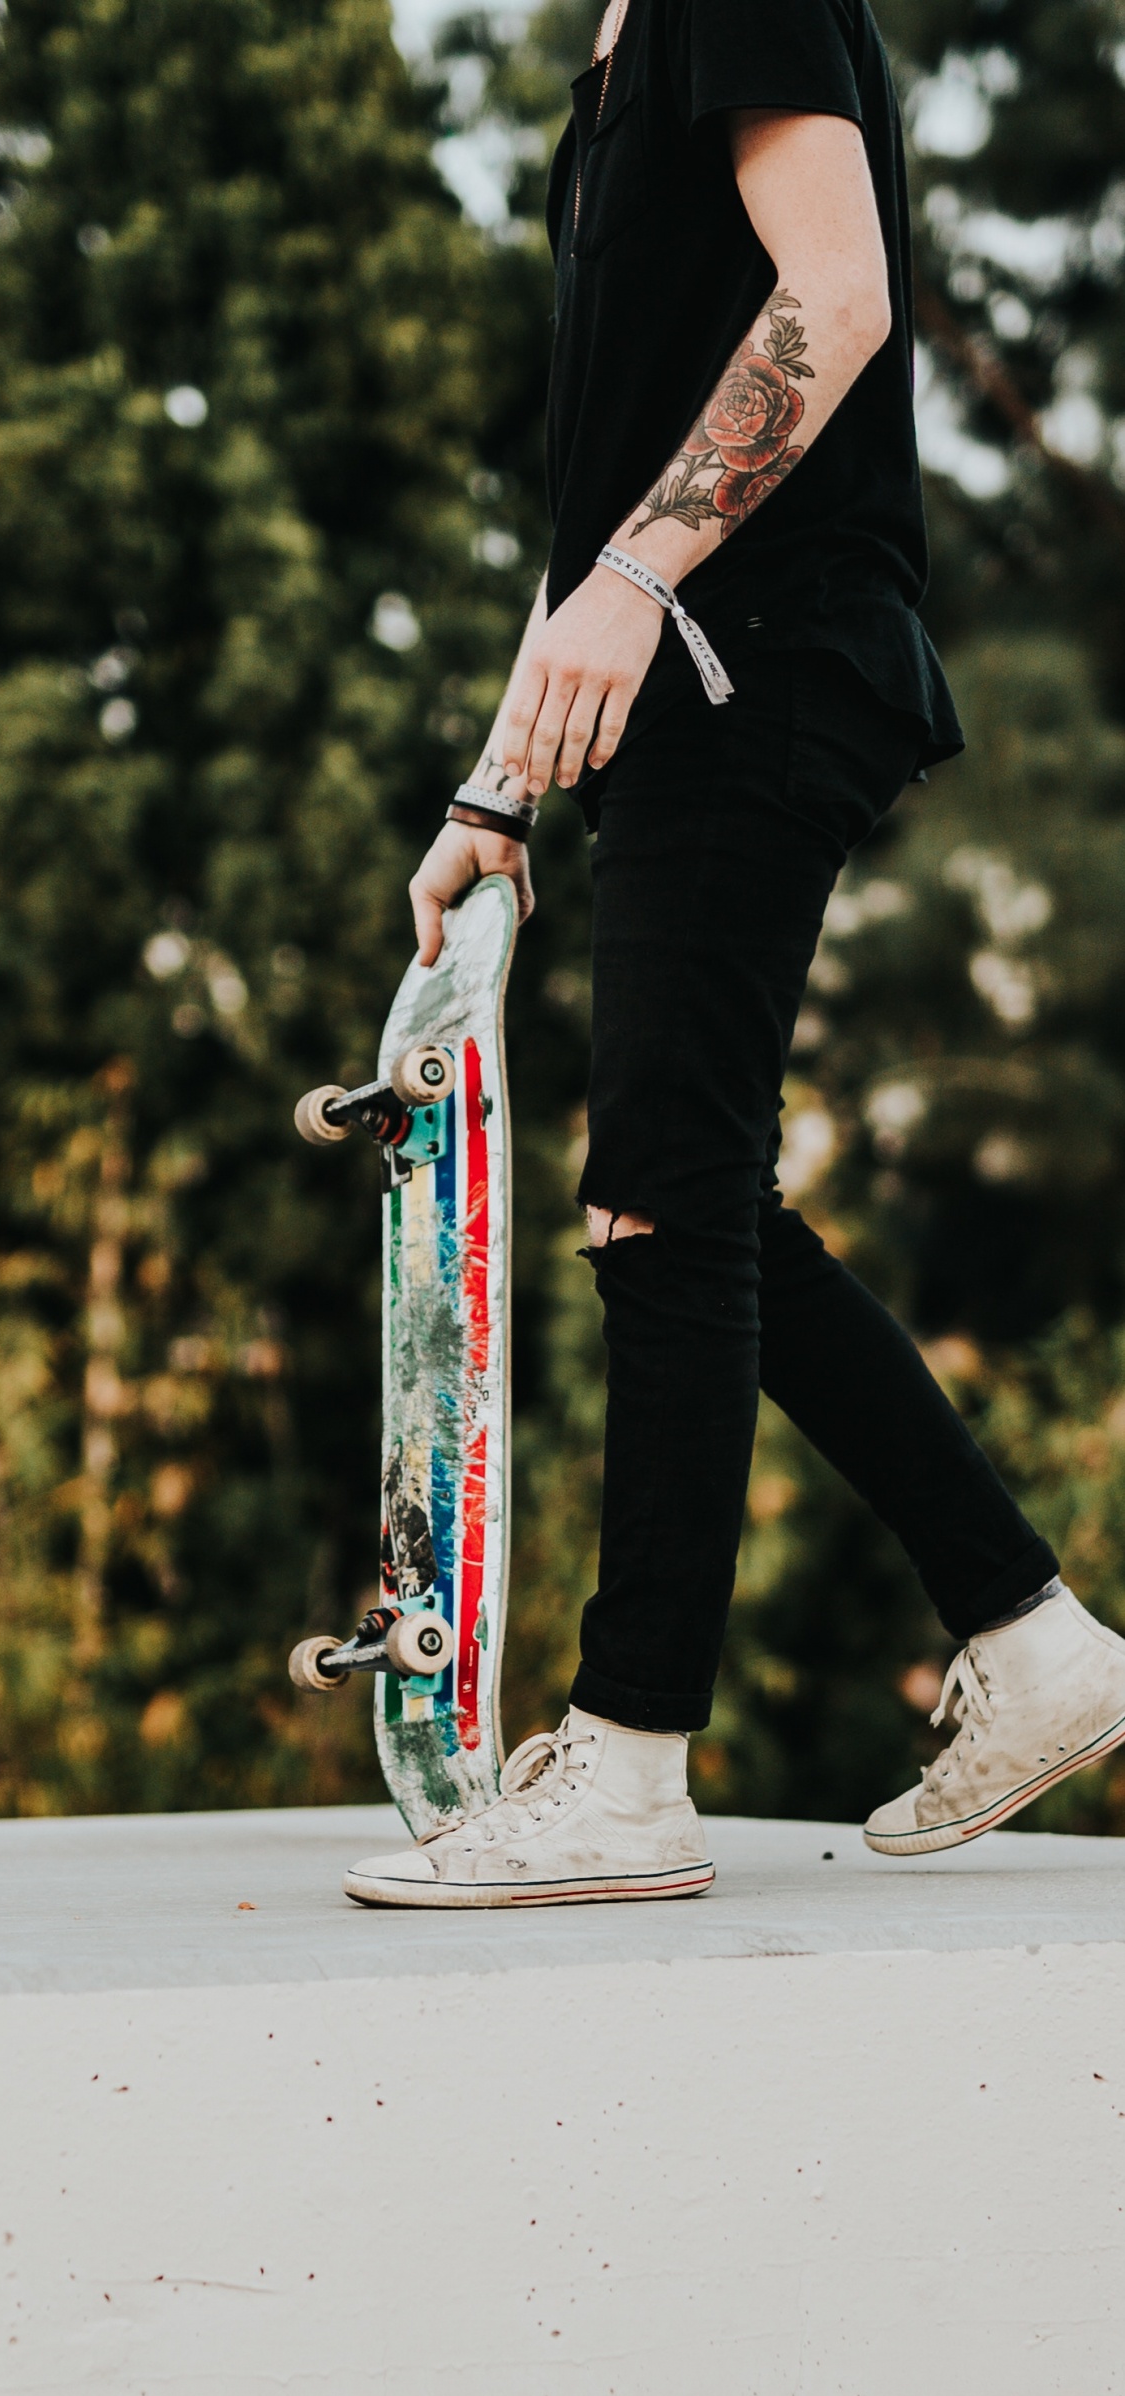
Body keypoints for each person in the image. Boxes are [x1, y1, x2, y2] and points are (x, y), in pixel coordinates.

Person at [344, 0, 1125, 1908]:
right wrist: (499, 787)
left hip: (758, 655)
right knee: (687, 1195)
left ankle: (626, 1762)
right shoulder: (617, 61)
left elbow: (835, 297)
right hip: (681, 671)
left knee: (663, 1206)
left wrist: (635, 581)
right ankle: (1032, 1644)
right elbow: (605, 472)